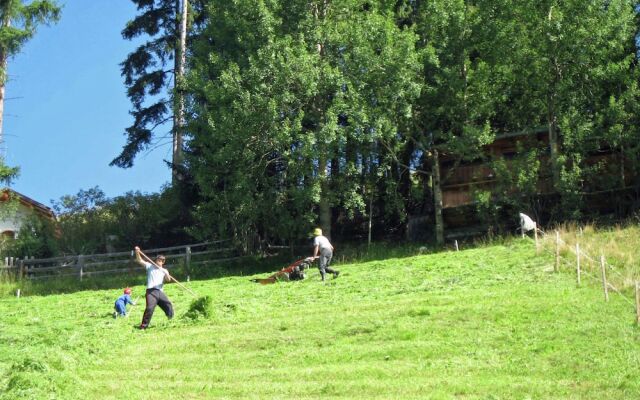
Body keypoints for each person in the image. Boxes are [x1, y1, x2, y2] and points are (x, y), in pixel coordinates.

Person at [134, 246, 174, 329]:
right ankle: (143, 326)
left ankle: (171, 318)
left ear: (163, 262)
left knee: (168, 305)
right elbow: (139, 260)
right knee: (150, 308)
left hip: (160, 291)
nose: (158, 261)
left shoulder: (165, 270)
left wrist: (166, 274)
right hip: (151, 291)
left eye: (160, 261)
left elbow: (168, 279)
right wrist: (137, 252)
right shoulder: (149, 266)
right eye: (157, 260)